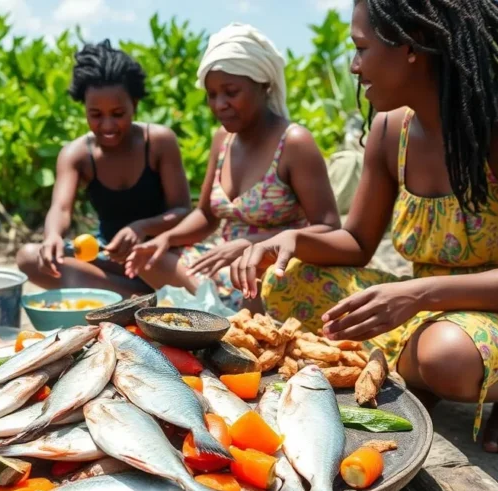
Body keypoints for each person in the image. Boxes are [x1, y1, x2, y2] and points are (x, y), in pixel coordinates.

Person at [230, 0, 498, 455]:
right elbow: (356, 243)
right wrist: (289, 240)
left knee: (444, 355)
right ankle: (415, 373)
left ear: (413, 46)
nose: (355, 67)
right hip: (430, 310)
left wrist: (420, 294)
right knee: (289, 282)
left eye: (362, 48)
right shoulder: (388, 130)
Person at [125, 23, 341, 311]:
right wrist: (164, 239)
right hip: (226, 264)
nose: (219, 104)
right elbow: (205, 215)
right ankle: (221, 309)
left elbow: (328, 228)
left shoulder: (294, 143)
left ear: (263, 84)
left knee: (256, 288)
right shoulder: (222, 140)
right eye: (212, 94)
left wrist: (252, 243)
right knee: (152, 259)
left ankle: (223, 311)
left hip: (277, 267)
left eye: (231, 92)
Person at [16, 40, 192, 297]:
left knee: (165, 266)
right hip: (108, 256)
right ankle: (140, 297)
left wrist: (141, 228)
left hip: (160, 255)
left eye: (118, 113)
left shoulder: (158, 142)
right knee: (30, 258)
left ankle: (129, 295)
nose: (107, 125)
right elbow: (61, 208)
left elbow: (182, 211)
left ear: (135, 105)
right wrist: (52, 236)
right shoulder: (77, 154)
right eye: (96, 115)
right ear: (84, 110)